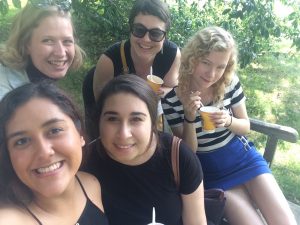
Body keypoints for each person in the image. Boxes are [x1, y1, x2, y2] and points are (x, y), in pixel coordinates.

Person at [162, 26, 297, 225]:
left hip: (243, 158)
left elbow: (245, 126)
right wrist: (189, 117)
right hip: (211, 172)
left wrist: (228, 121)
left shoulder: (230, 83)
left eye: (220, 66)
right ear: (192, 59)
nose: (212, 73)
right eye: (206, 63)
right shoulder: (172, 99)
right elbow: (188, 151)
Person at [83, 75, 207, 225]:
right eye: (112, 119)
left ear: (152, 123)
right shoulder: (85, 161)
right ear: (99, 121)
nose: (124, 134)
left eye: (136, 119)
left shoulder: (178, 156)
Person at [0, 81, 109, 225]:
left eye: (55, 130)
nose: (44, 152)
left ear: (80, 134)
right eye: (22, 141)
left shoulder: (90, 184)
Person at [82, 0, 180, 138]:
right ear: (131, 29)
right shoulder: (110, 59)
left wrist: (157, 92)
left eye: (156, 33)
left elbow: (171, 86)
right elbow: (103, 108)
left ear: (165, 36)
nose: (146, 39)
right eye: (139, 30)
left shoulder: (171, 54)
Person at [0, 0, 84, 100]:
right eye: (48, 40)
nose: (61, 53)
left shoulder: (37, 78)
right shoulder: (5, 95)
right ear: (25, 44)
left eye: (67, 41)